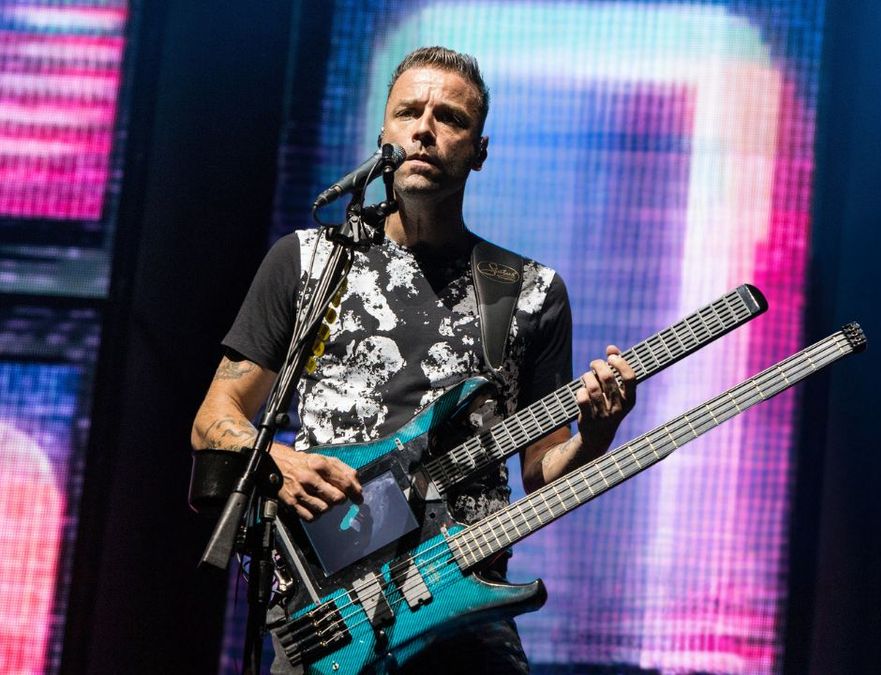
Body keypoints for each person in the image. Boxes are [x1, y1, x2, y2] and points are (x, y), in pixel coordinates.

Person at [190, 46, 637, 673]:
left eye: (450, 118)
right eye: (409, 112)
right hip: (327, 611)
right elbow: (216, 415)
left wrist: (598, 432)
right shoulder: (307, 261)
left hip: (460, 605)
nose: (425, 128)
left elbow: (542, 475)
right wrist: (275, 462)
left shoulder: (532, 290)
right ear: (384, 134)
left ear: (479, 151)